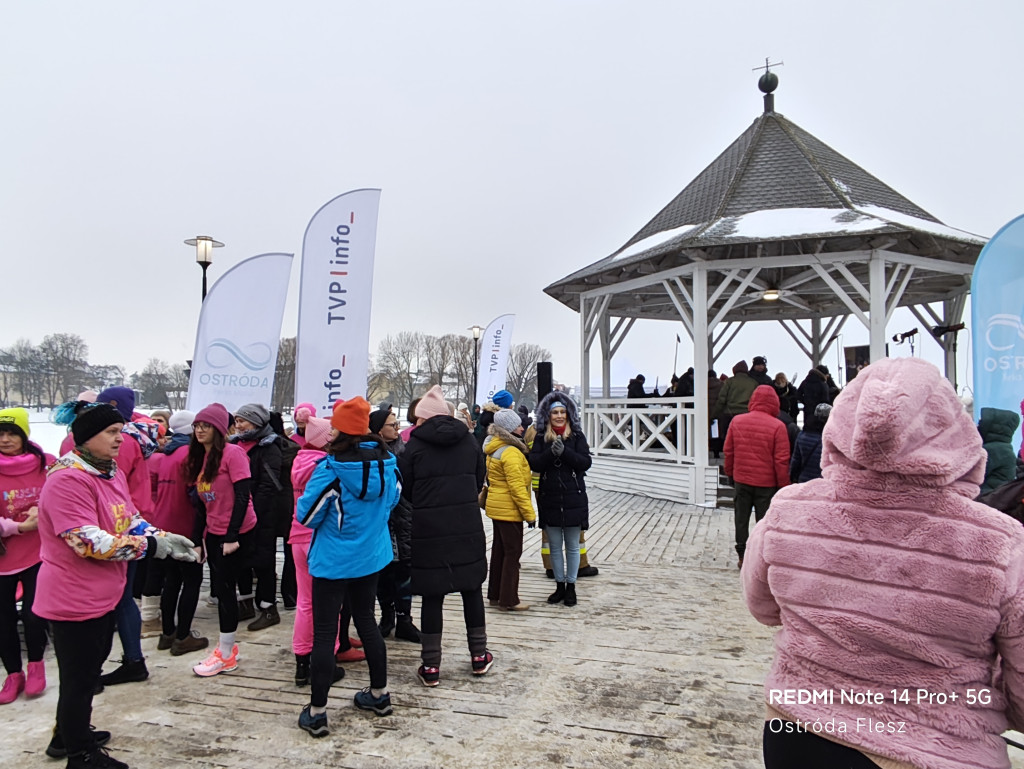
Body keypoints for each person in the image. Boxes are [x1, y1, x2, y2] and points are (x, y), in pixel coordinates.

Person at [743, 357, 1024, 769]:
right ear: (952, 428)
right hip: (937, 746)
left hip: (799, 729)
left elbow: (762, 608)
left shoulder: (788, 511)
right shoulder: (1000, 542)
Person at [35, 403, 197, 769]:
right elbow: (86, 541)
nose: (119, 439)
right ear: (86, 437)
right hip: (72, 596)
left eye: (120, 431)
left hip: (102, 592)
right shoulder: (68, 480)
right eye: (111, 432)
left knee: (88, 672)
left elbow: (128, 519)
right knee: (80, 679)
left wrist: (161, 536)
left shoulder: (110, 472)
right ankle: (80, 755)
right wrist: (151, 547)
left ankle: (68, 733)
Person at [296, 397, 399, 736]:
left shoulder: (331, 469)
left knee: (325, 633)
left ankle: (317, 712)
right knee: (367, 621)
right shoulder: (389, 463)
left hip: (333, 560)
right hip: (371, 556)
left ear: (340, 430)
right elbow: (393, 500)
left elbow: (306, 516)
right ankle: (379, 695)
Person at [398, 384, 493, 687]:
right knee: (471, 590)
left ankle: (431, 666)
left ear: (425, 418)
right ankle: (479, 656)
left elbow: (406, 488)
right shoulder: (468, 442)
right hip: (466, 525)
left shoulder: (414, 446)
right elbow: (478, 480)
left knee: (432, 595)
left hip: (429, 529)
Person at [186, 403, 259, 678]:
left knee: (226, 590)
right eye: (197, 425)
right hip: (215, 530)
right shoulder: (200, 458)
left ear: (218, 429)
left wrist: (232, 536)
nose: (200, 430)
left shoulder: (233, 453)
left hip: (237, 531)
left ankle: (226, 653)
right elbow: (201, 504)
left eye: (206, 426)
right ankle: (227, 649)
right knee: (220, 589)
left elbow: (243, 495)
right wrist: (197, 539)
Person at [0, 408, 53, 704]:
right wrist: (19, 527)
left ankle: (36, 665)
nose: (5, 439)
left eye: (12, 433)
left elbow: (60, 496)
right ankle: (13, 674)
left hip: (38, 553)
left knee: (34, 614)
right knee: (4, 619)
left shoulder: (46, 464)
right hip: (3, 556)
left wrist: (41, 512)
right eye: (0, 434)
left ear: (24, 436)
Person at [149, 410, 208, 657]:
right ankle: (183, 636)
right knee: (192, 581)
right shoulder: (192, 456)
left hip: (164, 524)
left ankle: (167, 633)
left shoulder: (164, 455)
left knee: (171, 579)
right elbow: (197, 496)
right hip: (187, 524)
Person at [529, 392, 592, 607]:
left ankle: (571, 586)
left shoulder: (577, 436)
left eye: (562, 412)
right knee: (555, 546)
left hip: (573, 498)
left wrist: (564, 452)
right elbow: (535, 463)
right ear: (548, 415)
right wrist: (551, 454)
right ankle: (559, 586)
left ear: (568, 414)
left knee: (572, 546)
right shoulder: (541, 437)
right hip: (550, 498)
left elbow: (585, 462)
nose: (558, 416)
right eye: (554, 412)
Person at [229, 403, 286, 630]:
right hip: (238, 513)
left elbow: (269, 485)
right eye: (237, 421)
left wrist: (252, 512)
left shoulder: (269, 446)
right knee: (240, 561)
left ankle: (268, 607)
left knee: (263, 562)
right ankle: (245, 603)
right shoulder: (234, 445)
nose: (238, 425)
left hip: (262, 515)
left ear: (256, 422)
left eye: (243, 421)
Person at [723, 384, 789, 568]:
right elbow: (781, 460)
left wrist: (730, 473)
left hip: (742, 479)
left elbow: (729, 451)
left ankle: (742, 555)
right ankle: (760, 558)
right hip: (766, 484)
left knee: (741, 519)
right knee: (764, 522)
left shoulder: (737, 421)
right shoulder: (778, 426)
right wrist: (783, 486)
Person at [369, 409, 417, 641]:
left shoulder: (405, 451)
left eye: (398, 424)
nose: (397, 429)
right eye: (392, 425)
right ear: (378, 430)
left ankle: (404, 619)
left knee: (404, 570)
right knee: (383, 572)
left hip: (404, 520)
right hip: (381, 522)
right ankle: (386, 616)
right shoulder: (371, 455)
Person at [484, 409, 536, 611]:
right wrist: (529, 514)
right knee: (512, 553)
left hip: (497, 507)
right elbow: (517, 487)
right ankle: (509, 599)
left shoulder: (494, 448)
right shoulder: (511, 452)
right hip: (509, 509)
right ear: (509, 429)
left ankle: (495, 594)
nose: (522, 428)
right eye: (518, 425)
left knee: (499, 551)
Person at [712, 361, 758, 448]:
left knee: (728, 439)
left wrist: (714, 414)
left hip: (729, 414)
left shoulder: (729, 382)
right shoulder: (753, 383)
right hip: (747, 414)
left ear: (734, 370)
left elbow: (722, 399)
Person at [978, 407, 1019, 494]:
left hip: (984, 496)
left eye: (981, 422)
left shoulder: (995, 450)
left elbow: (972, 472)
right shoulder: (1004, 448)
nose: (978, 426)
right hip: (993, 496)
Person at [789, 403, 831, 483]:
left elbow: (795, 460)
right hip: (824, 481)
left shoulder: (803, 434)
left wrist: (792, 477)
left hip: (804, 480)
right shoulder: (831, 438)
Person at [797, 364, 833, 430]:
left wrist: (805, 401)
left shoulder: (805, 382)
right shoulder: (823, 384)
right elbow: (826, 401)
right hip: (820, 414)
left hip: (807, 411)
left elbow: (798, 394)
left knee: (807, 430)